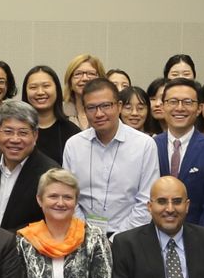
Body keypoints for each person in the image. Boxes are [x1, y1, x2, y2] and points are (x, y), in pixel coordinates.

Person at [63, 78, 159, 237]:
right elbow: (68, 196)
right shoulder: (74, 145)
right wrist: (87, 235)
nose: (99, 113)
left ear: (119, 106)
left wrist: (117, 240)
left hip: (130, 238)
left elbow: (146, 201)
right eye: (91, 107)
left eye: (106, 106)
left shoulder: (144, 145)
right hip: (82, 236)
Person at [154, 77, 204, 227]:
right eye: (173, 102)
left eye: (187, 102)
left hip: (195, 239)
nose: (180, 108)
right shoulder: (150, 146)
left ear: (199, 109)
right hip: (151, 238)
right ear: (162, 106)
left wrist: (200, 243)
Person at [0, 99, 43, 229]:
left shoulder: (48, 174)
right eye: (8, 131)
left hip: (26, 247)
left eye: (23, 133)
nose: (15, 139)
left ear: (35, 136)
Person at [22, 65, 79, 162]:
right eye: (33, 87)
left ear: (57, 89)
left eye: (46, 86)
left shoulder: (73, 133)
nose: (40, 92)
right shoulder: (16, 131)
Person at [62, 53, 105, 128]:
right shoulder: (60, 112)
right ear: (70, 81)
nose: (85, 78)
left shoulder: (109, 111)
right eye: (78, 74)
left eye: (91, 73)